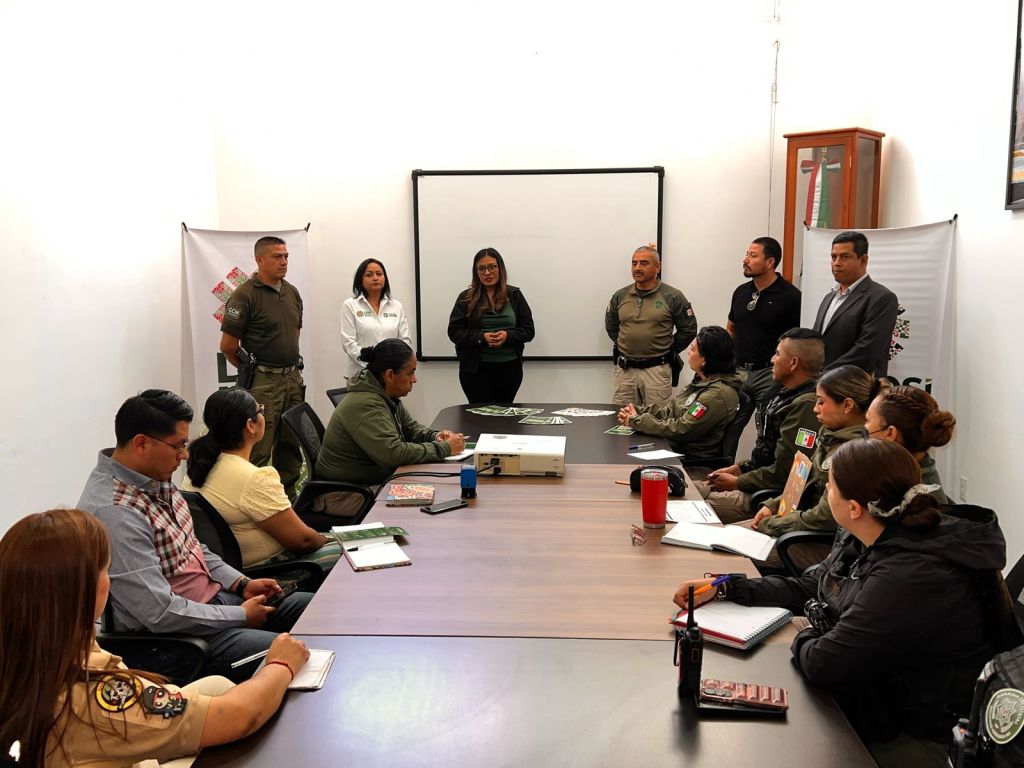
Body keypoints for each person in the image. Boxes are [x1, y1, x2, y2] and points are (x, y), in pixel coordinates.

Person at [673, 439, 1020, 764]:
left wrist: (807, 630)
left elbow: (825, 664)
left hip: (917, 734)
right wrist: (725, 587)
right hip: (870, 696)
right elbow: (814, 586)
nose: (825, 490)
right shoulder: (876, 534)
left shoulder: (911, 574)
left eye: (831, 485)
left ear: (854, 507)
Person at [0, 508, 310, 768]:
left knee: (218, 687)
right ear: (86, 591)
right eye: (105, 571)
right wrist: (281, 664)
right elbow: (242, 716)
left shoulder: (29, 654)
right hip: (109, 727)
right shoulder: (97, 693)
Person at [77, 389, 313, 684]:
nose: (185, 454)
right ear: (141, 443)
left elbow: (192, 547)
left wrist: (241, 583)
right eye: (178, 446)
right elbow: (159, 612)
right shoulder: (116, 511)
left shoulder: (152, 479)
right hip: (178, 639)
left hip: (216, 605)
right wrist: (239, 616)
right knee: (300, 656)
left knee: (316, 610)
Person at [183, 387, 342, 572]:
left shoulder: (198, 467)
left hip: (229, 573)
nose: (263, 415)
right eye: (261, 410)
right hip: (276, 570)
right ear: (251, 425)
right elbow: (304, 542)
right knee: (361, 551)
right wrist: (330, 540)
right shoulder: (254, 479)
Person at [697, 328, 823, 523]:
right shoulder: (786, 395)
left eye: (778, 354)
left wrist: (739, 481)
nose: (772, 359)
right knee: (685, 487)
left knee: (688, 503)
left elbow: (787, 473)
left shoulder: (805, 407)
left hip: (767, 499)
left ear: (794, 363)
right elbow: (768, 454)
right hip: (757, 485)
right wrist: (740, 468)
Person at [751, 364, 882, 538]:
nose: (815, 409)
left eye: (821, 402)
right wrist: (773, 505)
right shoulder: (829, 437)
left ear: (847, 405)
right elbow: (803, 483)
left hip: (814, 538)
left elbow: (824, 518)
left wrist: (773, 524)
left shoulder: (853, 454)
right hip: (797, 524)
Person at [220, 235, 305, 500]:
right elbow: (228, 346)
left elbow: (294, 334)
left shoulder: (292, 292)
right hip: (262, 383)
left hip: (292, 379)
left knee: (291, 446)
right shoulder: (245, 295)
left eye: (286, 256)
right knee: (258, 448)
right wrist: (256, 373)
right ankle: (253, 504)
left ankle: (286, 501)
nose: (284, 262)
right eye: (277, 257)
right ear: (259, 259)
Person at [317, 339, 466, 486]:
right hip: (346, 491)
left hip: (372, 479)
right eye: (410, 373)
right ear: (389, 375)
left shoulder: (386, 395)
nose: (414, 380)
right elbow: (393, 454)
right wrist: (444, 448)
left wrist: (436, 436)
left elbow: (410, 429)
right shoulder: (366, 405)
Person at [617, 326, 743, 462]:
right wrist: (638, 411)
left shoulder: (716, 395)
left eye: (693, 349)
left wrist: (637, 421)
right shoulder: (702, 382)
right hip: (674, 448)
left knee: (625, 457)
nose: (688, 352)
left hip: (690, 459)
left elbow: (682, 429)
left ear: (705, 360)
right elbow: (671, 409)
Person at [605, 245, 697, 407]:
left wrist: (667, 348)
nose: (637, 268)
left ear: (658, 267)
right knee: (621, 422)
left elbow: (688, 329)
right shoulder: (620, 296)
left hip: (657, 370)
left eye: (644, 263)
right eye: (634, 263)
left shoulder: (673, 296)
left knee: (658, 421)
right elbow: (612, 326)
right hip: (625, 371)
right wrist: (628, 344)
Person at [727, 236, 801, 432]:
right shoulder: (741, 292)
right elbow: (731, 327)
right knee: (728, 428)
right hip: (739, 371)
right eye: (746, 254)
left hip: (770, 374)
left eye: (753, 256)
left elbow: (796, 341)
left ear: (770, 262)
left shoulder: (791, 296)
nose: (745, 260)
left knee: (767, 431)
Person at [447, 247, 535, 404]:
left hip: (510, 369)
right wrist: (482, 338)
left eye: (492, 267)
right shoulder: (465, 298)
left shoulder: (515, 296)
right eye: (481, 268)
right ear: (476, 272)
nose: (487, 273)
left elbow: (528, 331)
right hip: (475, 371)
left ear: (500, 268)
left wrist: (507, 336)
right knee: (479, 418)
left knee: (504, 418)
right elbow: (455, 332)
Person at [811, 231, 899, 378]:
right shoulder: (829, 297)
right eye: (833, 257)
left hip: (855, 388)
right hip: (822, 387)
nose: (837, 263)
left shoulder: (882, 298)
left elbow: (868, 350)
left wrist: (825, 374)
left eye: (845, 257)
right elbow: (817, 340)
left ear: (863, 260)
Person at [865, 385, 955, 501]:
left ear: (890, 433)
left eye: (868, 420)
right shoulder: (902, 478)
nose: (865, 426)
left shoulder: (908, 499)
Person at [340, 258, 411, 383]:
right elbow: (348, 343)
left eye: (379, 274)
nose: (375, 278)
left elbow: (405, 341)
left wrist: (394, 365)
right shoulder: (350, 305)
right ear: (360, 280)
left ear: (385, 278)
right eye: (369, 275)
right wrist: (373, 363)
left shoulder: (396, 306)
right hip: (360, 375)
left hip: (390, 375)